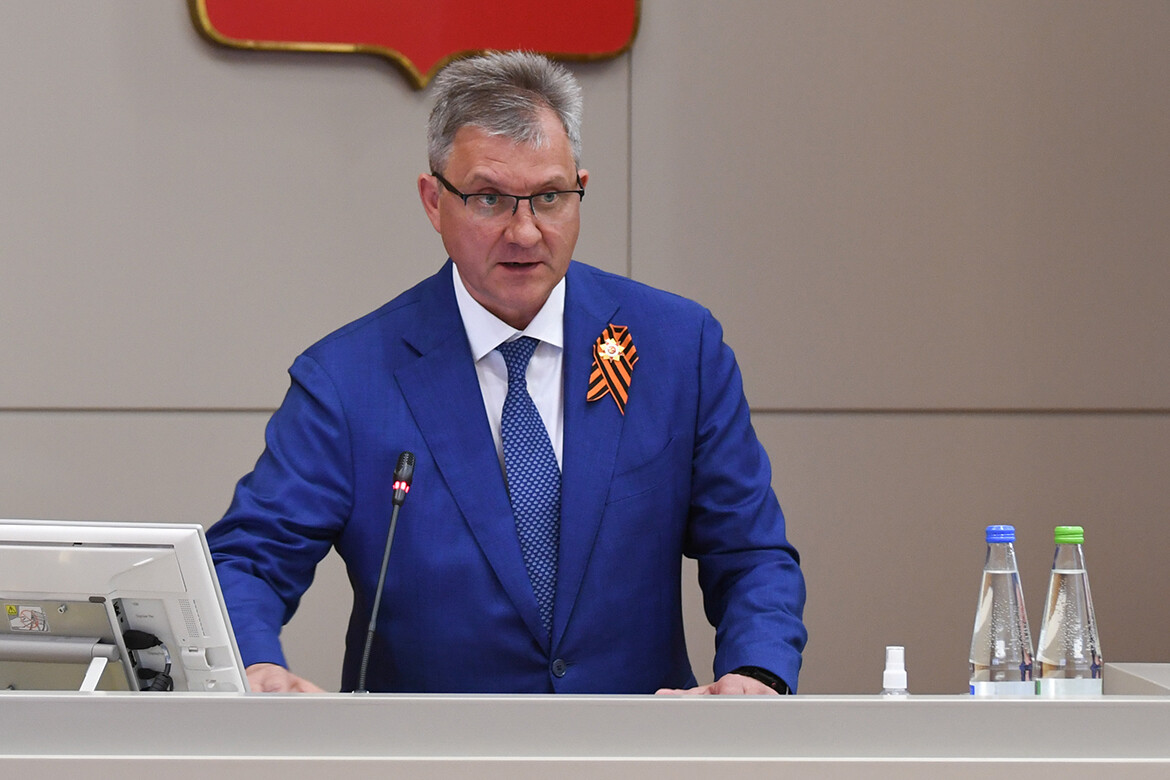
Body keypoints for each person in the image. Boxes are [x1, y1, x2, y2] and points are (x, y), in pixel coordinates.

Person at [207, 51, 806, 695]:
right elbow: (248, 560)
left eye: (549, 197)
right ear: (434, 201)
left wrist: (756, 673)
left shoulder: (677, 348)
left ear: (580, 189)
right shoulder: (348, 380)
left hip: (635, 740)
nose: (525, 232)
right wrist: (253, 668)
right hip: (429, 745)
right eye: (489, 199)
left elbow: (750, 553)